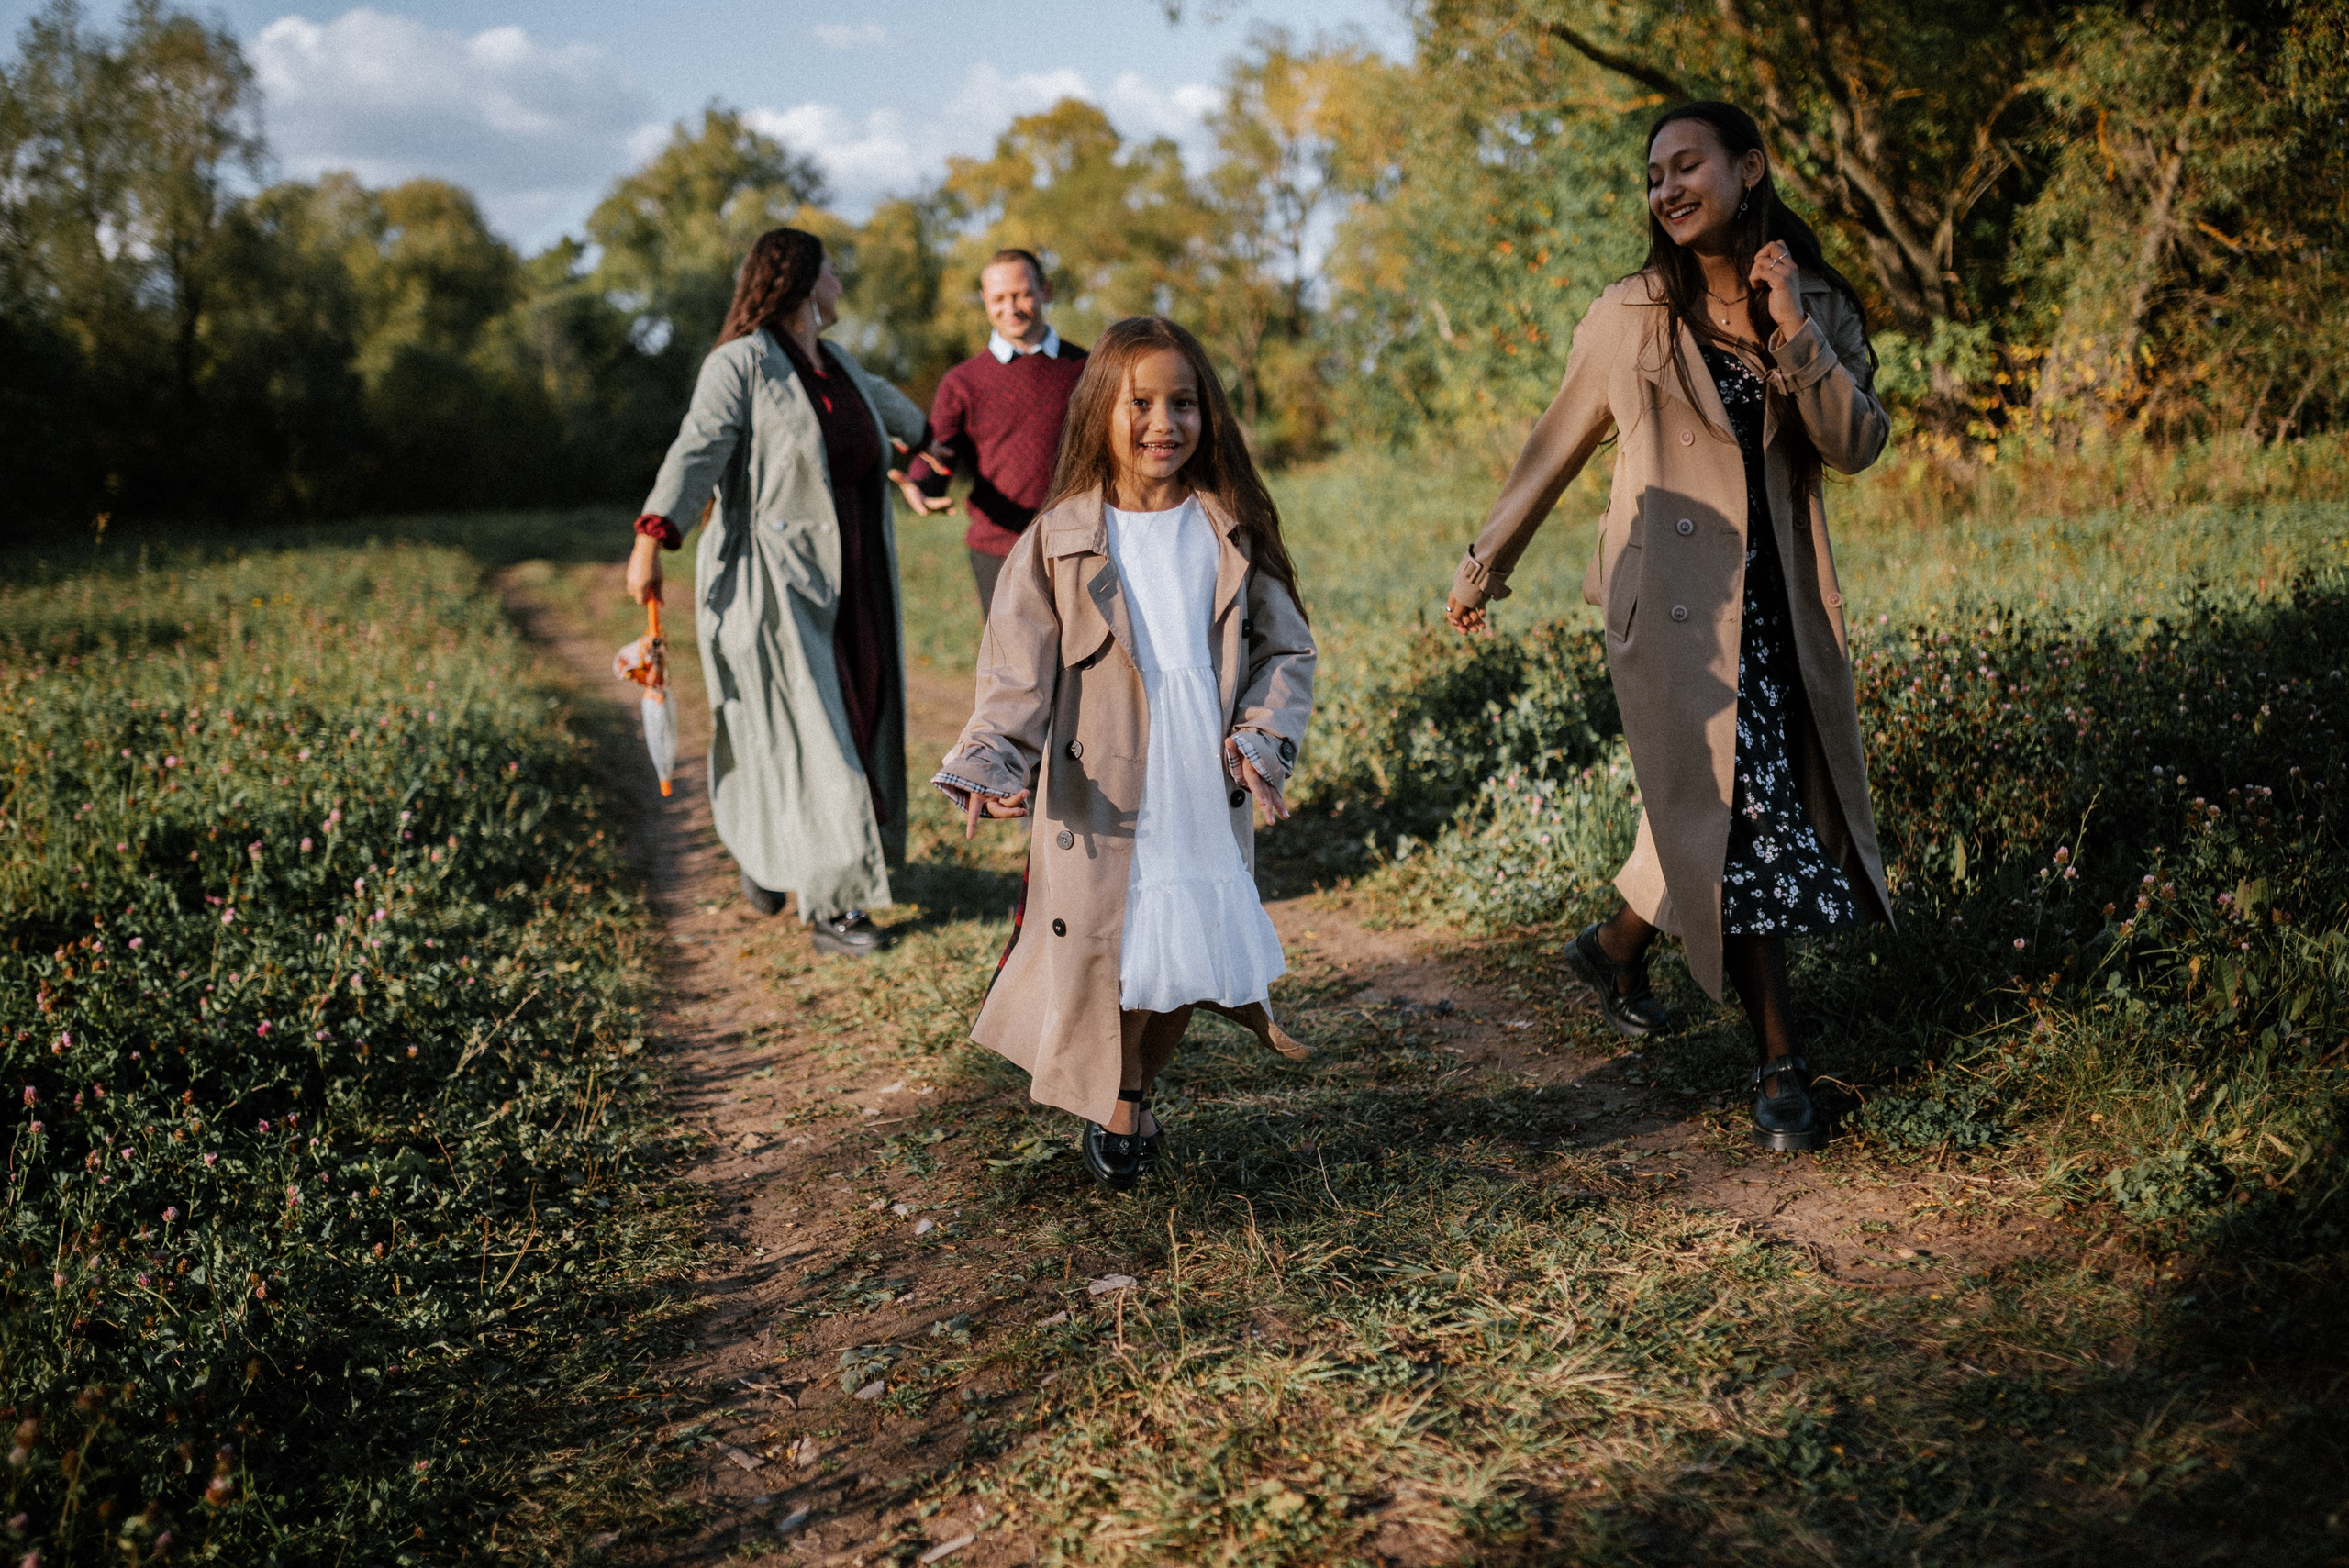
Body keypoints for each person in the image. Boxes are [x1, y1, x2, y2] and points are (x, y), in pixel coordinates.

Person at [1443, 101, 1892, 1153]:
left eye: (1684, 166)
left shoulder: (1817, 301)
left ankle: (1613, 946)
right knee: (1734, 821)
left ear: (1749, 168)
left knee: (1719, 809)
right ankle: (1779, 1069)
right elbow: (1553, 446)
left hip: (1778, 611)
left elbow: (1854, 443)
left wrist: (1794, 327)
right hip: (1674, 621)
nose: (1666, 189)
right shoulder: (1630, 312)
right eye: (1652, 177)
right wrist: (1482, 567)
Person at [934, 316, 1317, 1187]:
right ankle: (1117, 1094)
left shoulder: (1232, 526)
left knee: (1187, 948)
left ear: (1207, 414)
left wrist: (1264, 736)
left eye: (1183, 402)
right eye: (1140, 403)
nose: (1163, 423)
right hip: (1102, 784)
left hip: (1199, 772)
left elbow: (1286, 651)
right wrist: (991, 761)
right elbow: (1015, 676)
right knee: (1118, 942)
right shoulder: (1058, 536)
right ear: (1101, 410)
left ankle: (1136, 1081)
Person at [627, 227, 938, 957]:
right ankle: (835, 907)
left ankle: (764, 854)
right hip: (771, 586)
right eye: (831, 271)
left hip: (854, 588)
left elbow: (907, 423)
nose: (839, 283)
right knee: (814, 737)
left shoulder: (837, 365)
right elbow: (697, 449)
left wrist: (938, 453)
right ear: (800, 280)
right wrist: (653, 536)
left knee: (849, 727)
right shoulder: (740, 365)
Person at [898, 248, 1090, 617]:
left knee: (1081, 668)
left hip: (1078, 545)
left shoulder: (1086, 368)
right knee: (1012, 671)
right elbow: (941, 451)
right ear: (985, 301)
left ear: (1046, 290)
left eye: (1021, 294)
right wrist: (921, 486)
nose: (1011, 307)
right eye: (998, 298)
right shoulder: (963, 382)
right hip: (997, 550)